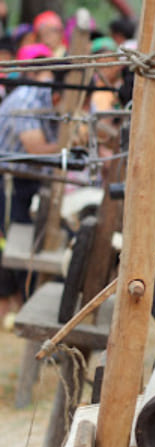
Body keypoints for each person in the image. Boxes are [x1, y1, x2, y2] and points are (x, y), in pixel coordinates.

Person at [0, 45, 65, 322]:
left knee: (26, 240)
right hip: (10, 181)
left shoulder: (56, 96)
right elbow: (35, 148)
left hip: (29, 180)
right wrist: (69, 144)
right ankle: (14, 300)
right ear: (59, 95)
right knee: (12, 240)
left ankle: (20, 299)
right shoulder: (28, 99)